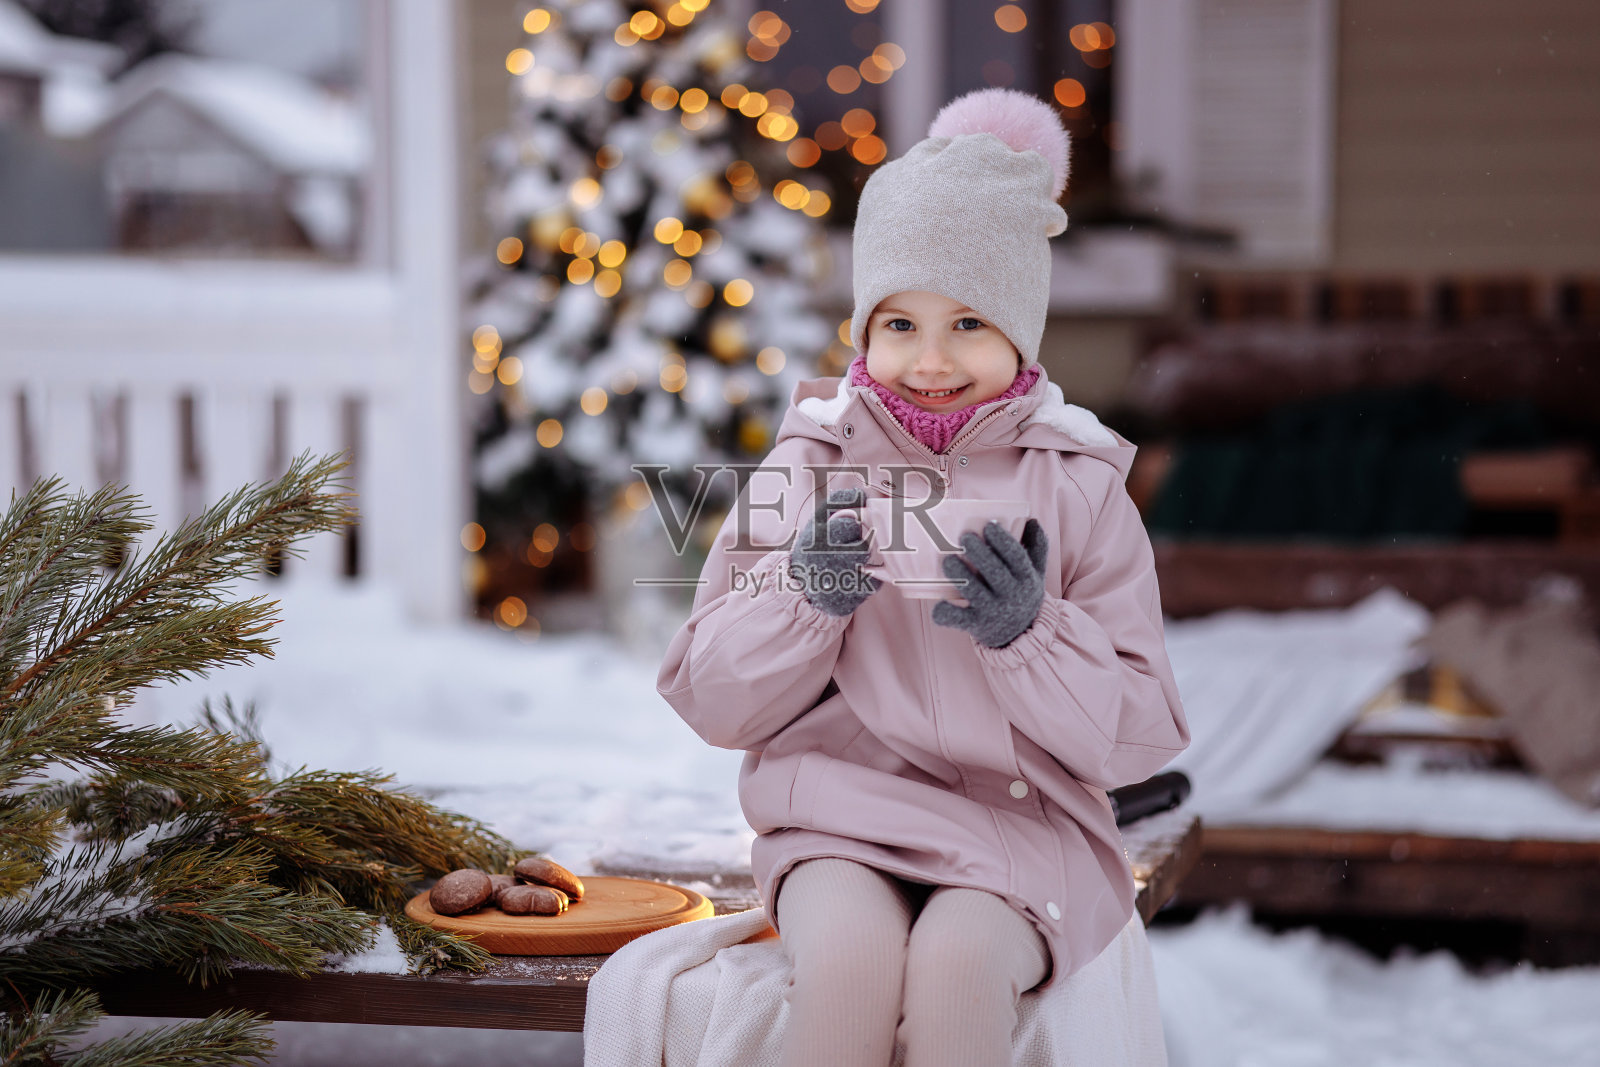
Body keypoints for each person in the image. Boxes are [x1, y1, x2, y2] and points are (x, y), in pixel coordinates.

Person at [656, 88, 1189, 1067]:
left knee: (955, 969)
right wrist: (800, 599)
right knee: (849, 965)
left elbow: (1139, 729)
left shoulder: (1078, 484)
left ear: (1019, 329)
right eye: (898, 323)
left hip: (1018, 824)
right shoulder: (811, 462)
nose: (929, 359)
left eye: (967, 324)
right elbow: (709, 692)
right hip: (837, 815)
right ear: (863, 326)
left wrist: (1031, 634)